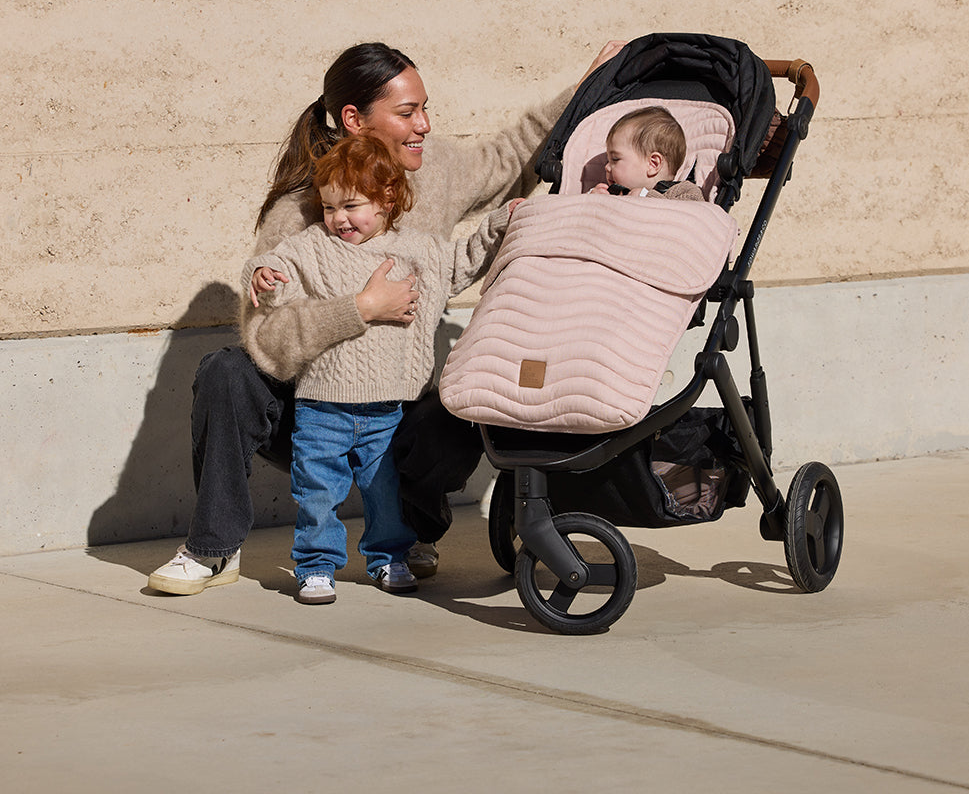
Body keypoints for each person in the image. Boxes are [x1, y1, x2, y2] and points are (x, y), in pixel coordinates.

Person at [148, 39, 625, 596]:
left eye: (425, 108)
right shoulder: (304, 208)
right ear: (354, 120)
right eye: (406, 113)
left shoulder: (436, 169)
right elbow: (267, 340)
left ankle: (412, 531)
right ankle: (213, 547)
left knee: (462, 409)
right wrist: (359, 310)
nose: (422, 124)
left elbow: (512, 156)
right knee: (226, 371)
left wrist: (587, 89)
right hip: (313, 412)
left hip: (395, 402)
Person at [243, 136, 519, 603]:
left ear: (387, 198)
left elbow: (466, 258)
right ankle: (315, 566)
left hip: (387, 410)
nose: (338, 219)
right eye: (329, 207)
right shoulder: (313, 247)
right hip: (322, 408)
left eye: (351, 205)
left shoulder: (421, 252)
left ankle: (388, 557)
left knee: (384, 492)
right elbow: (277, 266)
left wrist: (500, 222)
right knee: (317, 493)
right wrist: (263, 274)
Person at [590, 105, 704, 200]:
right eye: (608, 160)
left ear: (653, 164)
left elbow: (692, 216)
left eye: (615, 159)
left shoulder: (683, 191)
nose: (606, 167)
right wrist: (594, 201)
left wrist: (648, 197)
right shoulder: (612, 195)